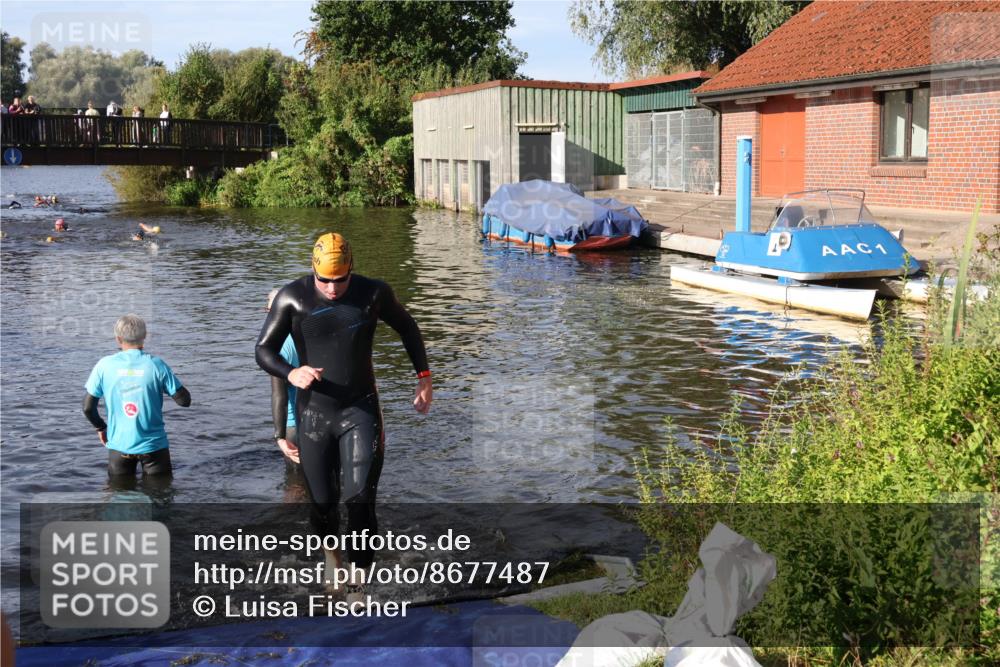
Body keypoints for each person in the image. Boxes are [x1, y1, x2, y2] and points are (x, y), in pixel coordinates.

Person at [256, 233, 432, 591]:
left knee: (360, 501)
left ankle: (358, 586)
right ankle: (332, 557)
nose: (333, 288)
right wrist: (291, 372)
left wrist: (424, 378)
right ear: (313, 270)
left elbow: (408, 328)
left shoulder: (373, 293)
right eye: (325, 280)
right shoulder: (292, 297)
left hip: (360, 409)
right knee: (322, 504)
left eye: (340, 280)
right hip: (314, 415)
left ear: (351, 268)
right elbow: (263, 350)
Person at [83, 314, 191, 478]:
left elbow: (87, 408)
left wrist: (101, 428)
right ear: (145, 336)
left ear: (118, 339)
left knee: (119, 491)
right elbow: (184, 401)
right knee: (160, 491)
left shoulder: (104, 365)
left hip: (119, 446)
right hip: (154, 447)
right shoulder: (156, 365)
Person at [265, 288, 300, 465]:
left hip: (295, 427)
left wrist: (279, 436)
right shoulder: (310, 335)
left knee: (295, 478)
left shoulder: (277, 348)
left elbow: (279, 396)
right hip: (323, 419)